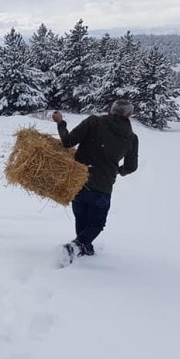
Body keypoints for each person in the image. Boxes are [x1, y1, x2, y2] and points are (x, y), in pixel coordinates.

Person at [52, 99, 139, 262]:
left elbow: (67, 142)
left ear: (109, 110)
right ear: (129, 115)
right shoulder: (131, 138)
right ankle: (79, 247)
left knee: (81, 217)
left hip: (79, 180)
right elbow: (131, 166)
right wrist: (118, 170)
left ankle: (80, 247)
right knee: (97, 223)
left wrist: (60, 122)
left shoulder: (94, 122)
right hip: (103, 185)